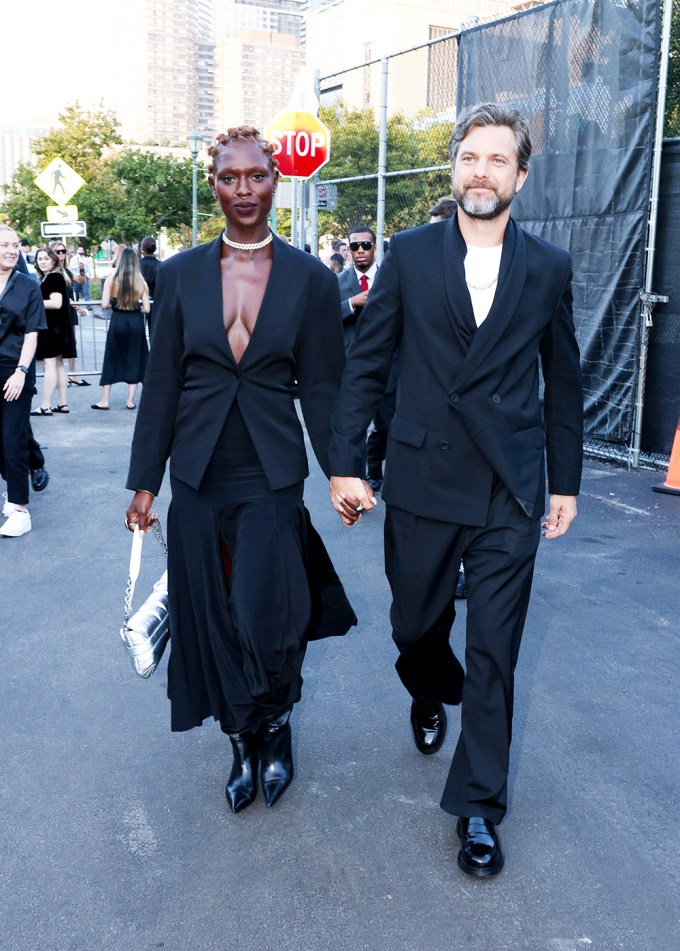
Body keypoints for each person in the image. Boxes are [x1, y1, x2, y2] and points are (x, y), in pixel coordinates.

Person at [328, 103, 583, 877]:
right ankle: (430, 684)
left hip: (509, 486)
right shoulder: (407, 254)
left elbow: (563, 381)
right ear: (454, 168)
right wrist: (345, 462)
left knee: (496, 654)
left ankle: (477, 805)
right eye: (470, 157)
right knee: (414, 624)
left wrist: (563, 483)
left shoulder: (547, 267)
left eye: (498, 160)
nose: (482, 171)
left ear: (521, 176)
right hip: (422, 477)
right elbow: (368, 364)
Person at [124, 126, 356, 813]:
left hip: (270, 468)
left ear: (276, 180)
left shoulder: (311, 280)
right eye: (230, 178)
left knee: (268, 612)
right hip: (197, 471)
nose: (245, 190)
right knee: (213, 615)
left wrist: (342, 470)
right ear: (213, 183)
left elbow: (322, 387)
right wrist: (144, 481)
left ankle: (276, 724)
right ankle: (238, 735)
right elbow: (162, 382)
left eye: (257, 176)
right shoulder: (180, 274)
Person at [0, 226, 47, 537]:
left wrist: (21, 371)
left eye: (15, 245)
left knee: (12, 440)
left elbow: (32, 333)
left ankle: (19, 508)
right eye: (4, 244)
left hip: (14, 368)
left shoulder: (28, 285)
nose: (11, 250)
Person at [91, 248, 150, 411]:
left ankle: (105, 400)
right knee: (134, 358)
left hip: (118, 322)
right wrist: (137, 307)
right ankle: (130, 401)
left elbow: (104, 304)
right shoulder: (141, 282)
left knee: (111, 358)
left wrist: (114, 303)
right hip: (135, 322)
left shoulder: (111, 279)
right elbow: (147, 308)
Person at [32, 246, 76, 415]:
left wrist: (33, 303)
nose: (42, 261)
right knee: (58, 365)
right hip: (59, 328)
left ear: (53, 259)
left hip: (52, 328)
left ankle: (45, 405)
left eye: (45, 258)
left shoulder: (53, 278)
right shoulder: (56, 276)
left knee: (50, 365)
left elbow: (56, 303)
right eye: (39, 259)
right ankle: (62, 403)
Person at [139, 236, 160, 331]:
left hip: (139, 304)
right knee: (154, 335)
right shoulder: (160, 266)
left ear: (142, 249)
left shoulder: (137, 265)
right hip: (156, 304)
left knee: (139, 336)